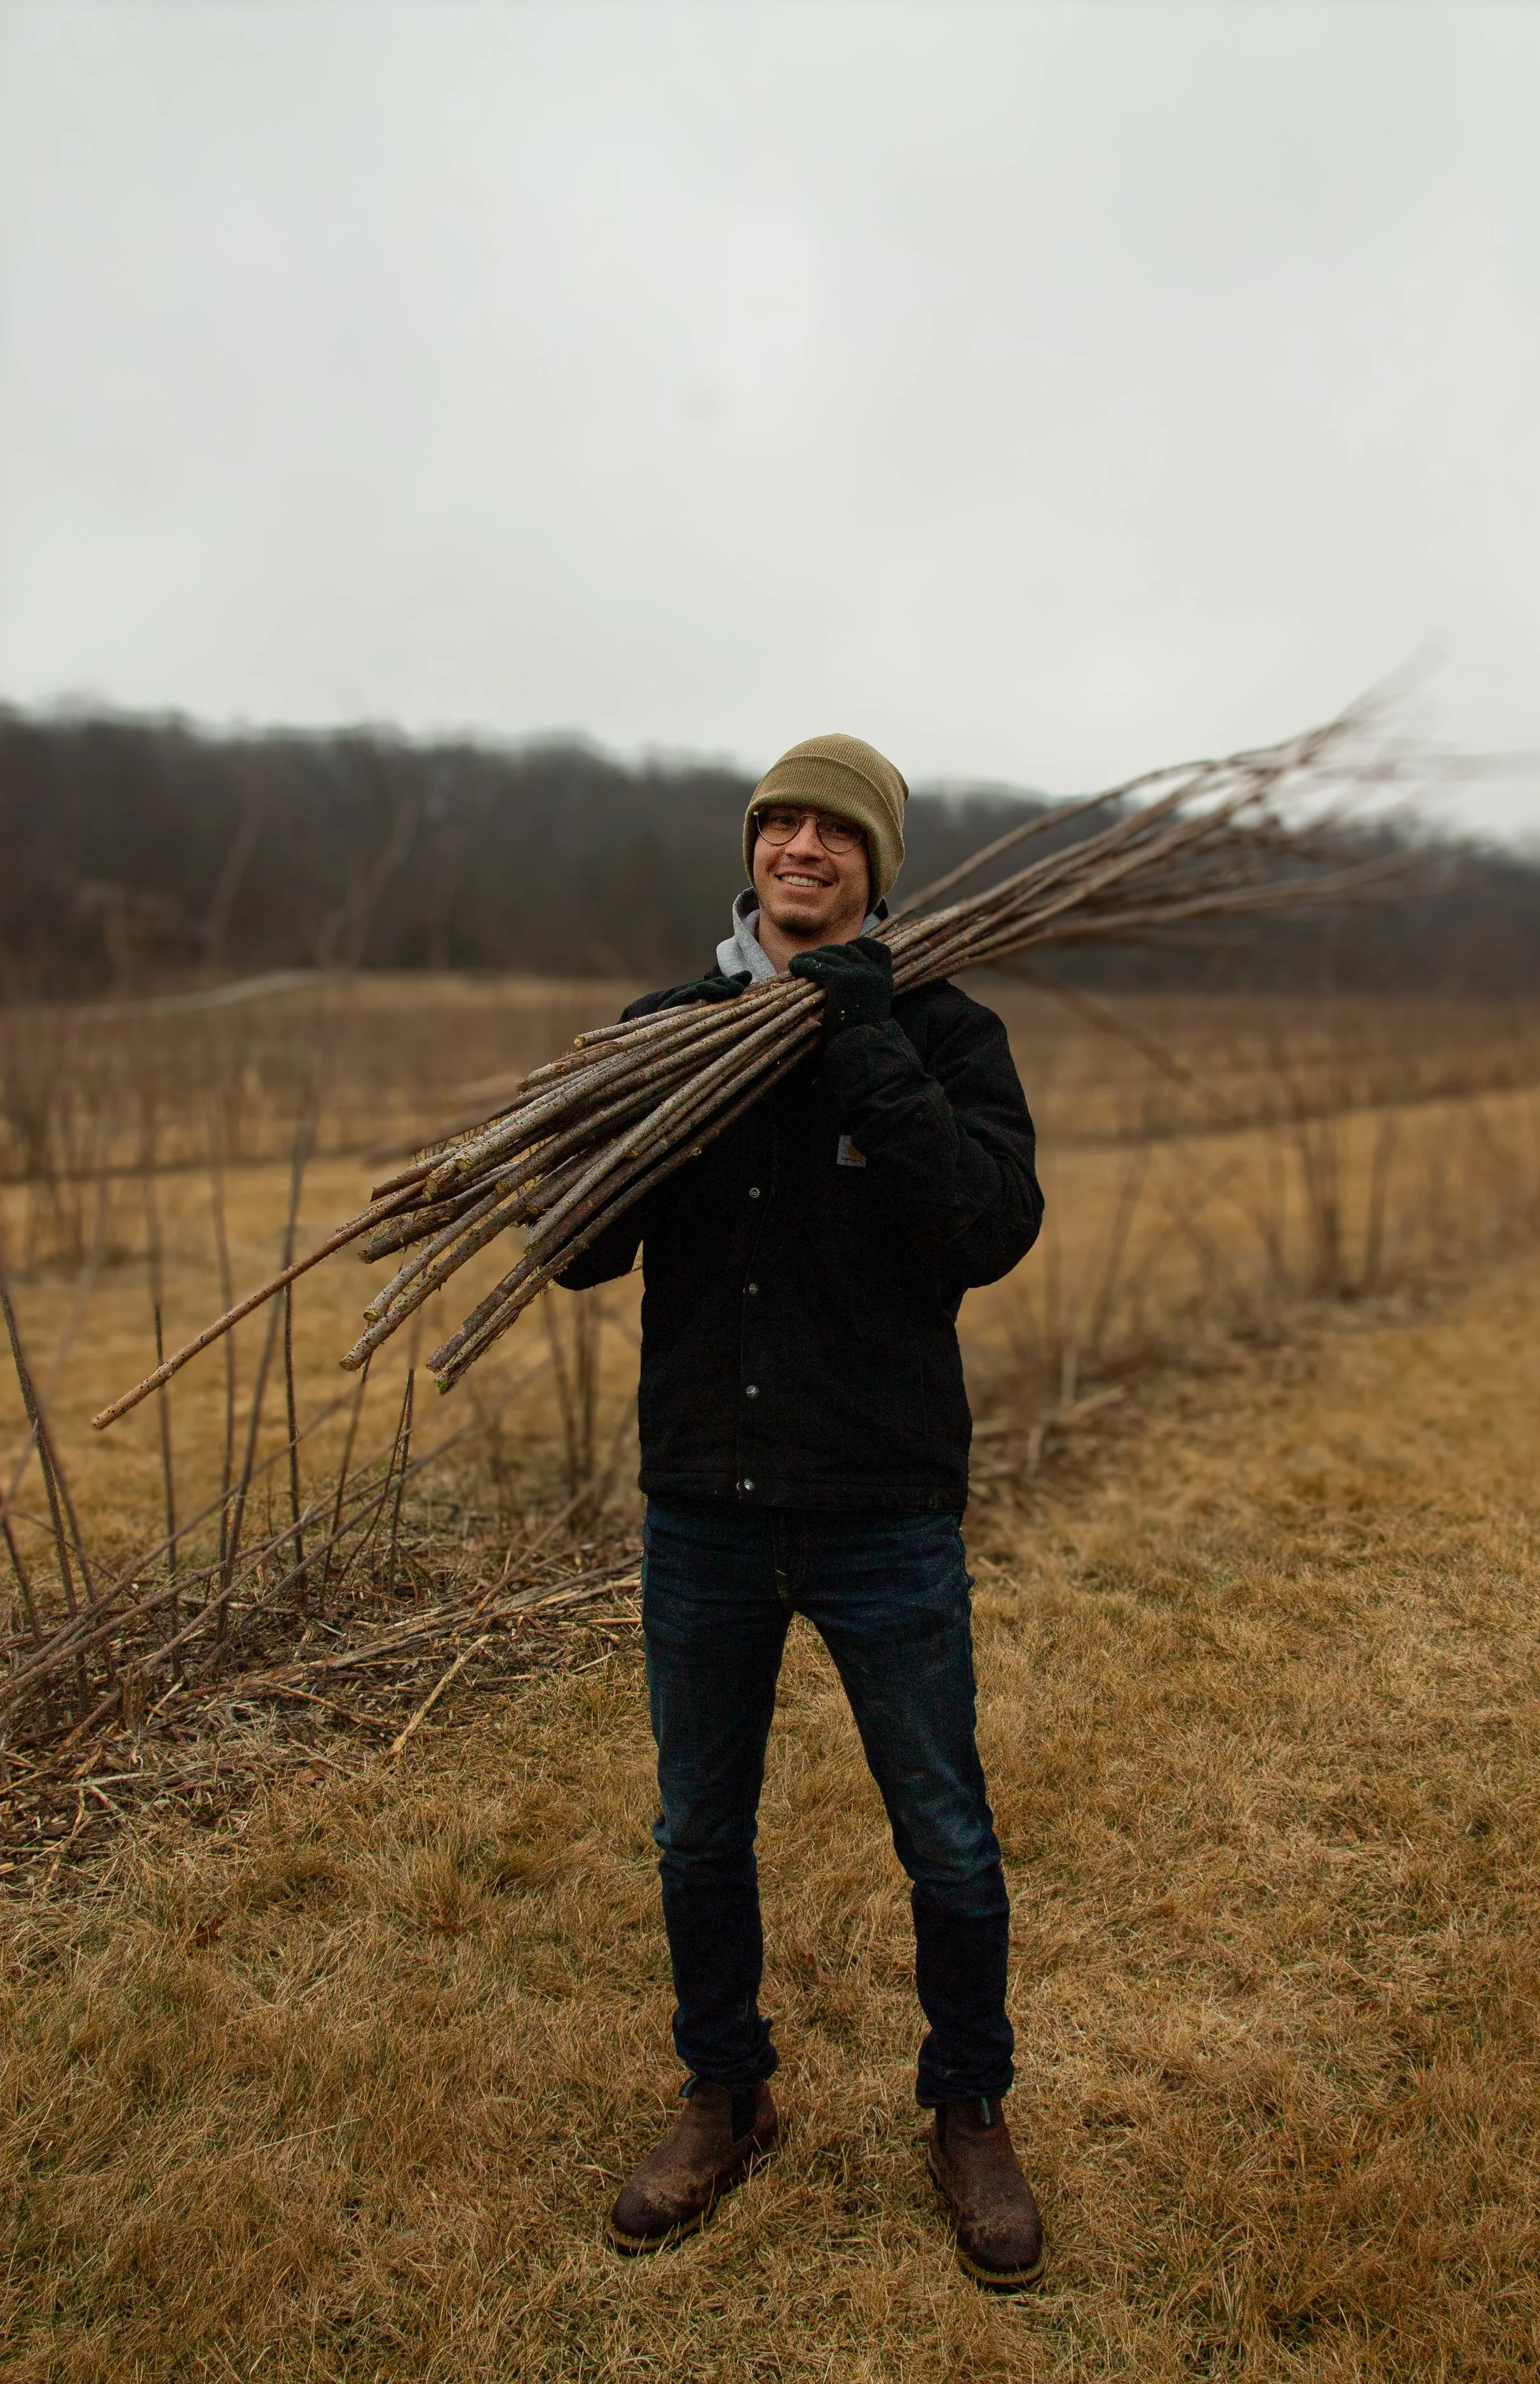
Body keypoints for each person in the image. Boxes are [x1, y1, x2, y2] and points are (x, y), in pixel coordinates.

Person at [557, 732, 1046, 2291]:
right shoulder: (669, 1029)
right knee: (700, 1828)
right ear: (753, 848)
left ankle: (966, 2108)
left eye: (836, 831)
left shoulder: (942, 1029)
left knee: (945, 1835)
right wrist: (626, 1126)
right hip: (705, 1500)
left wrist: (865, 1052)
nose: (802, 849)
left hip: (879, 1506)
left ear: (874, 868)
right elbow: (575, 1254)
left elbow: (982, 1228)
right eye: (781, 823)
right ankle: (726, 2095)